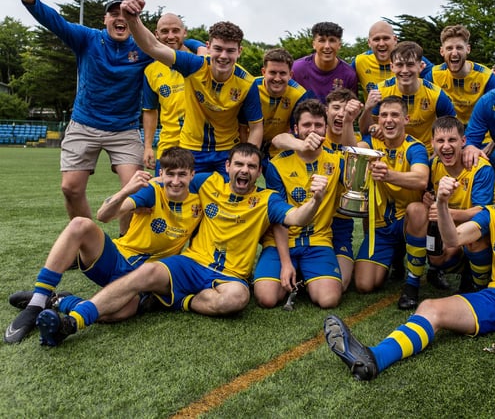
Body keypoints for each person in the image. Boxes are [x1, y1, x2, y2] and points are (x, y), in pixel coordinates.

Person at [324, 148, 495, 419]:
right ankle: (373, 359)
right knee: (430, 307)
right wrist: (442, 205)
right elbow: (454, 239)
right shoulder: (493, 213)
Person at [34, 143, 327, 346]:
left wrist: (315, 199)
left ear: (258, 171)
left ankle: (177, 300)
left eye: (252, 166)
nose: (245, 170)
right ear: (228, 166)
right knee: (146, 275)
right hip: (189, 264)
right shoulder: (208, 183)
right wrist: (140, 191)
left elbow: (296, 217)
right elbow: (173, 179)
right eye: (239, 163)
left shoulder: (266, 200)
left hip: (231, 276)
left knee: (237, 299)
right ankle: (73, 323)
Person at [4, 147, 201, 344]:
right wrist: (126, 190)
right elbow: (103, 216)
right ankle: (37, 302)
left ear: (192, 175)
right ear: (161, 174)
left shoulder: (199, 202)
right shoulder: (152, 191)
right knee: (80, 224)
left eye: (182, 174)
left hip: (142, 279)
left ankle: (58, 301)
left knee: (124, 310)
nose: (176, 181)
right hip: (117, 258)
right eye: (170, 174)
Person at [13, 0, 152, 236]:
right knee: (70, 187)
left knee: (136, 190)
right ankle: (89, 242)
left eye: (126, 14)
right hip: (84, 123)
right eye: (114, 13)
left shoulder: (143, 47)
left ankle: (127, 247)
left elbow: (172, 45)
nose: (120, 17)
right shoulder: (88, 38)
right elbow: (57, 23)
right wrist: (30, 0)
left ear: (134, 22)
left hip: (124, 129)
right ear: (104, 19)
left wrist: (200, 47)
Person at [121, 0, 263, 174]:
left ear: (239, 52)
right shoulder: (194, 65)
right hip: (191, 151)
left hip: (226, 153)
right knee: (179, 198)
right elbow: (152, 47)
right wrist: (132, 19)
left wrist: (246, 161)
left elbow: (256, 127)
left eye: (230, 50)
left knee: (230, 201)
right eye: (218, 49)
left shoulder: (247, 83)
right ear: (208, 47)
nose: (223, 56)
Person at [254, 100, 346, 309]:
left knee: (329, 300)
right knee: (266, 298)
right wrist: (285, 263)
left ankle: (307, 273)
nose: (312, 130)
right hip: (283, 243)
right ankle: (293, 268)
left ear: (326, 129)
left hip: (318, 240)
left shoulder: (338, 161)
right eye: (306, 125)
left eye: (318, 125)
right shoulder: (278, 164)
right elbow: (278, 218)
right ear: (296, 129)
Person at [272, 89, 363, 290]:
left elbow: (353, 163)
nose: (341, 113)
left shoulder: (353, 139)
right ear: (327, 113)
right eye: (336, 108)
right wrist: (302, 144)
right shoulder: (318, 134)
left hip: (336, 222)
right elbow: (279, 140)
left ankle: (313, 273)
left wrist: (349, 122)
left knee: (342, 284)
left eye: (346, 110)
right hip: (304, 218)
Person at [353, 96, 430, 309]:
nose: (389, 120)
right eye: (384, 115)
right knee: (363, 284)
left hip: (406, 222)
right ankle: (395, 257)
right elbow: (351, 148)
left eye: (395, 115)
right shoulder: (371, 141)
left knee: (417, 209)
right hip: (381, 227)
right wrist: (357, 114)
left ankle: (412, 284)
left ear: (406, 119)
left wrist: (389, 175)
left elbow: (421, 178)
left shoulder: (415, 147)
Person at [423, 116, 495, 292]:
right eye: (440, 140)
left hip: (485, 228)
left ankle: (479, 286)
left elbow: (482, 211)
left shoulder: (480, 167)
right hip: (452, 230)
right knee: (437, 258)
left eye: (452, 140)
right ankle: (448, 269)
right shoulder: (433, 164)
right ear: (432, 142)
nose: (446, 146)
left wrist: (446, 212)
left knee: (474, 239)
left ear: (463, 141)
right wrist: (426, 198)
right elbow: (426, 194)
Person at [358, 41, 455, 156]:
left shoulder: (436, 94)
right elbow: (365, 131)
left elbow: (453, 129)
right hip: (388, 150)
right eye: (399, 65)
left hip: (424, 152)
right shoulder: (380, 90)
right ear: (392, 67)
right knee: (358, 148)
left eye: (410, 65)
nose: (404, 70)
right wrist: (368, 110)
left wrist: (435, 158)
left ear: (421, 67)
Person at [142, 13, 207, 172]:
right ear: (156, 35)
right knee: (165, 194)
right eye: (165, 31)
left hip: (201, 146)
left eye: (175, 31)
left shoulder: (202, 59)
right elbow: (150, 110)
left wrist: (201, 48)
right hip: (168, 147)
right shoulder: (151, 70)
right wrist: (148, 146)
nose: (170, 36)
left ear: (184, 32)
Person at [424, 24, 495, 127]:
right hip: (449, 134)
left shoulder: (486, 76)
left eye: (459, 48)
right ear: (442, 51)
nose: (454, 53)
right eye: (449, 48)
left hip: (481, 135)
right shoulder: (433, 75)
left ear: (468, 49)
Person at [253, 47, 313, 161]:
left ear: (290, 74)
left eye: (282, 73)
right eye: (272, 72)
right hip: (249, 140)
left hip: (278, 147)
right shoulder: (252, 88)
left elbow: (297, 130)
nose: (277, 78)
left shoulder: (299, 94)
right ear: (264, 72)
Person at [352, 21, 433, 99]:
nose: (381, 44)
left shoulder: (411, 58)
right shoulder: (359, 61)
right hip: (374, 112)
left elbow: (437, 76)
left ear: (395, 39)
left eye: (386, 38)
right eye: (376, 39)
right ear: (369, 42)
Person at [291, 22, 358, 103]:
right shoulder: (297, 69)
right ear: (314, 44)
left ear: (339, 45)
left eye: (332, 40)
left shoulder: (349, 74)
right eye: (322, 40)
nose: (327, 46)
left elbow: (351, 110)